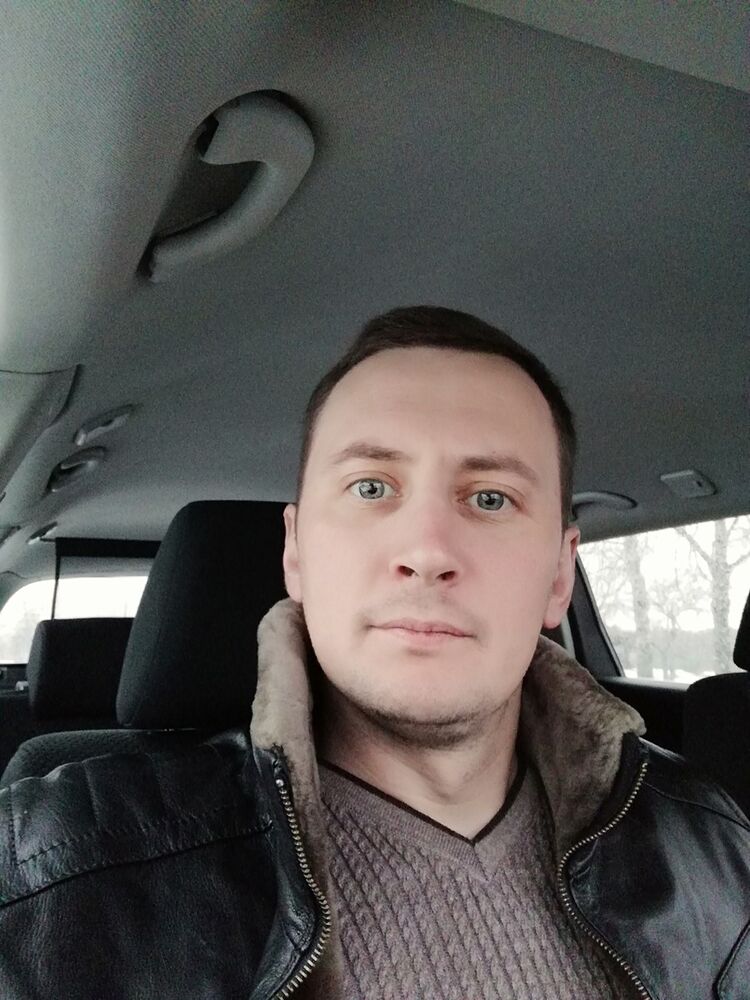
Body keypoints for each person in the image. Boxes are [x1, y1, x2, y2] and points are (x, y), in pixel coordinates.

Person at [0, 307, 748, 1000]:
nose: (427, 551)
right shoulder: (51, 878)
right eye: (370, 487)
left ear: (559, 575)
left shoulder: (713, 849)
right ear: (296, 554)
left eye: (490, 498)